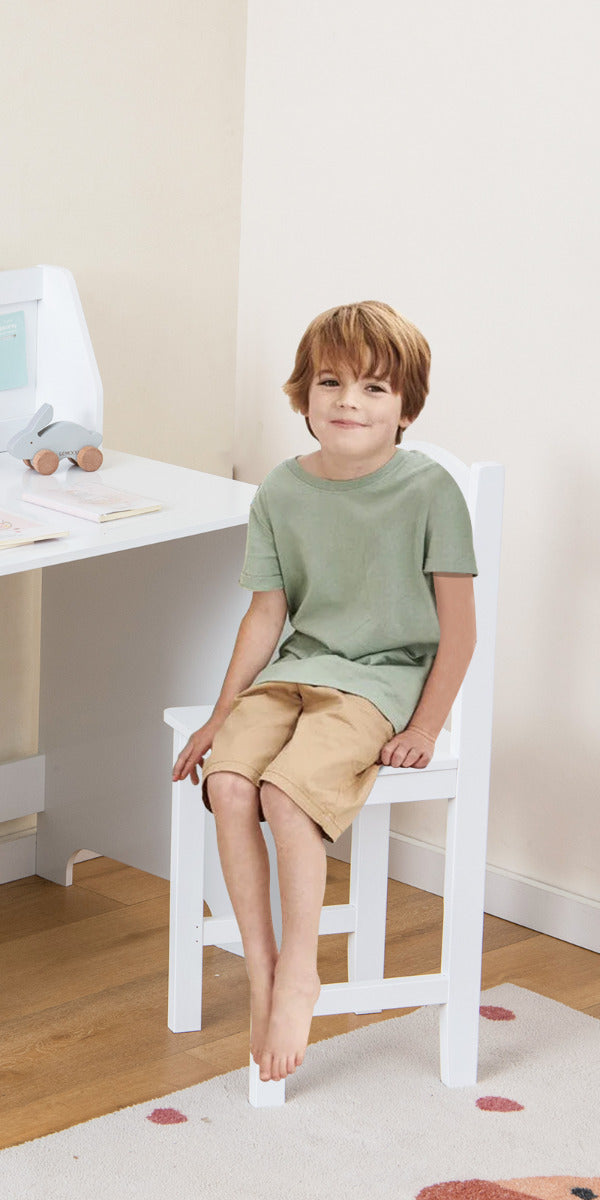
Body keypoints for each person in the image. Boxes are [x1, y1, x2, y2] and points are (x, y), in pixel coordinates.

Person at [171, 301, 477, 1083]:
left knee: (284, 792)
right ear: (303, 395)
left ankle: (301, 969)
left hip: (379, 682)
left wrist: (430, 727)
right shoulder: (280, 491)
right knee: (232, 782)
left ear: (406, 407)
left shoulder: (431, 491)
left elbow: (460, 630)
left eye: (375, 389)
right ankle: (262, 972)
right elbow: (266, 614)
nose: (349, 401)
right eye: (331, 382)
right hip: (296, 673)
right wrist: (218, 718)